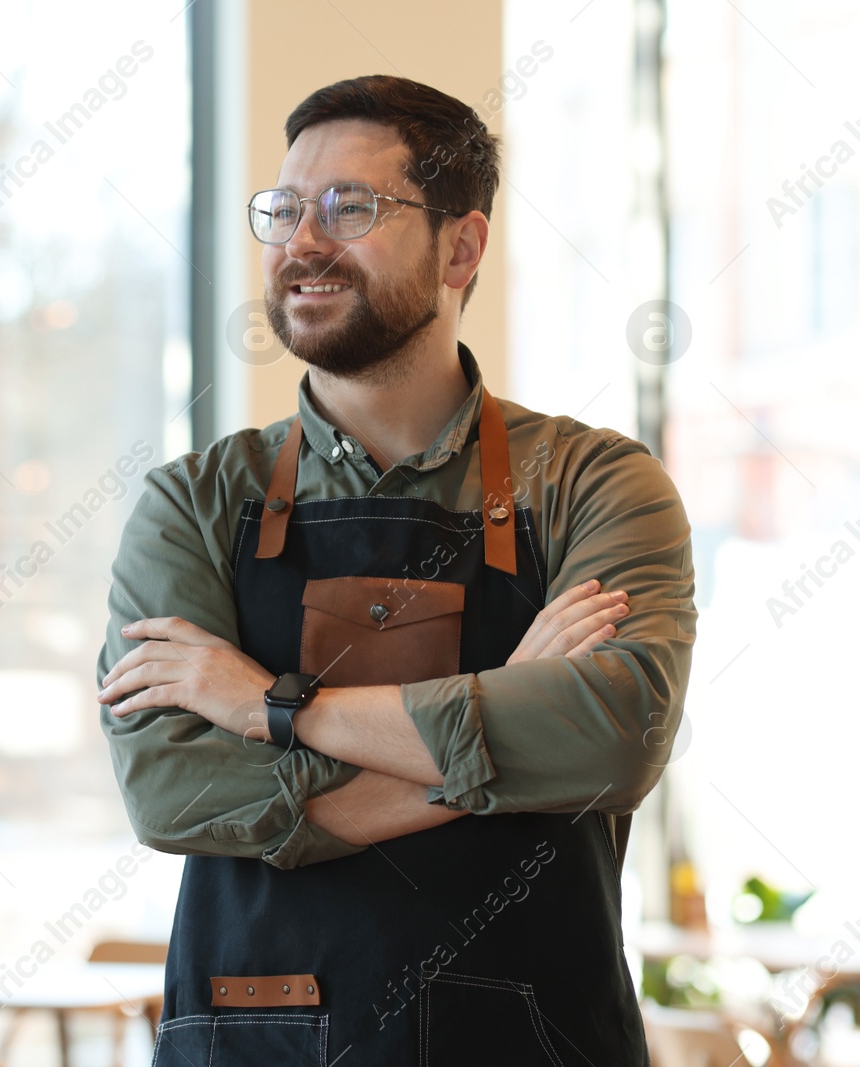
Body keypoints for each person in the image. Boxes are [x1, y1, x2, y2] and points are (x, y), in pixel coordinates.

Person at [95, 74, 695, 1065]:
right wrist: (511, 723)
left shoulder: (595, 482)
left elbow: (612, 738)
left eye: (350, 206)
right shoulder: (192, 503)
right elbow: (171, 789)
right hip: (258, 1029)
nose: (302, 241)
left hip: (530, 1035)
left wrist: (271, 710)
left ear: (461, 245)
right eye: (284, 209)